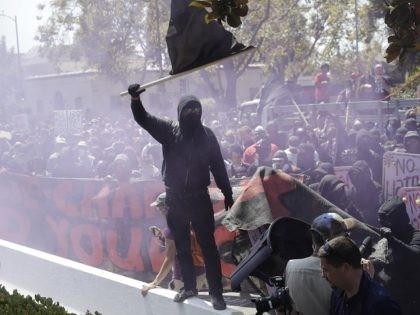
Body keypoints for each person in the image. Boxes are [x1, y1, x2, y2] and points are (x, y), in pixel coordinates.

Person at [127, 83, 233, 310]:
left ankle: (216, 294)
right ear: (180, 111)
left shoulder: (208, 136)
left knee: (208, 247)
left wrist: (228, 193)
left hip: (199, 198)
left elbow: (218, 168)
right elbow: (144, 119)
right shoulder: (169, 130)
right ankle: (190, 288)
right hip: (175, 199)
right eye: (188, 110)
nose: (193, 114)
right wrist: (135, 100)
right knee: (182, 246)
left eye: (196, 110)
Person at [141, 193, 207, 296]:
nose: (160, 211)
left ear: (166, 208)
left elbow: (169, 258)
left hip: (182, 280)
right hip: (200, 274)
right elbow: (182, 244)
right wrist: (161, 237)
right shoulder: (189, 222)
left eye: (159, 208)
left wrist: (154, 283)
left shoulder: (171, 230)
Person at [318, 236, 401, 315]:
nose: (322, 275)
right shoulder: (337, 294)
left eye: (326, 270)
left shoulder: (383, 305)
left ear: (345, 267)